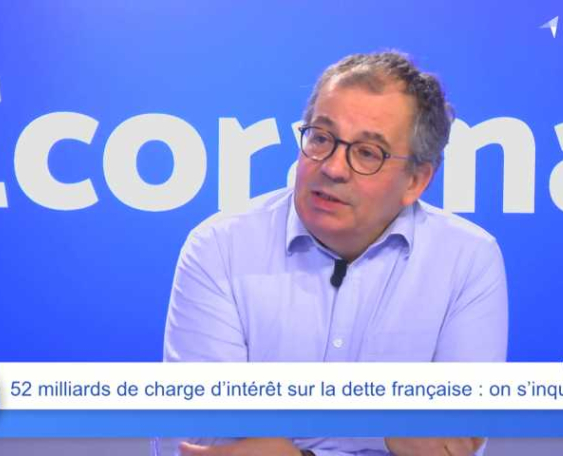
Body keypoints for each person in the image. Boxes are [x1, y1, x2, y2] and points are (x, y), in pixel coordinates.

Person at [163, 51, 508, 456]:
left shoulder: (467, 260)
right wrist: (392, 429)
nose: (333, 168)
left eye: (367, 153)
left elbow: (452, 443)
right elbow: (204, 438)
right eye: (321, 138)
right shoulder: (219, 247)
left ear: (415, 181)